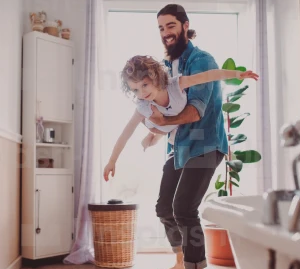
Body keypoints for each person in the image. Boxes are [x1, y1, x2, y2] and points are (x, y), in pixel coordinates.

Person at [145, 4, 248, 269]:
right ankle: (181, 260)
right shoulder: (169, 67)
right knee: (164, 207)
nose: (166, 33)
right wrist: (155, 132)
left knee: (184, 208)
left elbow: (194, 112)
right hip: (178, 146)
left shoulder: (200, 60)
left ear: (185, 26)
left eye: (170, 26)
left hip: (204, 144)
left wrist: (164, 123)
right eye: (161, 28)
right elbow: (168, 105)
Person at [103, 55, 257, 182]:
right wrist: (112, 161)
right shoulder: (143, 106)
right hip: (157, 125)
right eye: (135, 90)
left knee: (169, 129)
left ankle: (155, 135)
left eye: (145, 85)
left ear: (155, 77)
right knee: (158, 130)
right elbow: (125, 133)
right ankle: (154, 135)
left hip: (172, 123)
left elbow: (207, 76)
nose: (142, 93)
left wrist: (236, 74)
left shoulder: (175, 84)